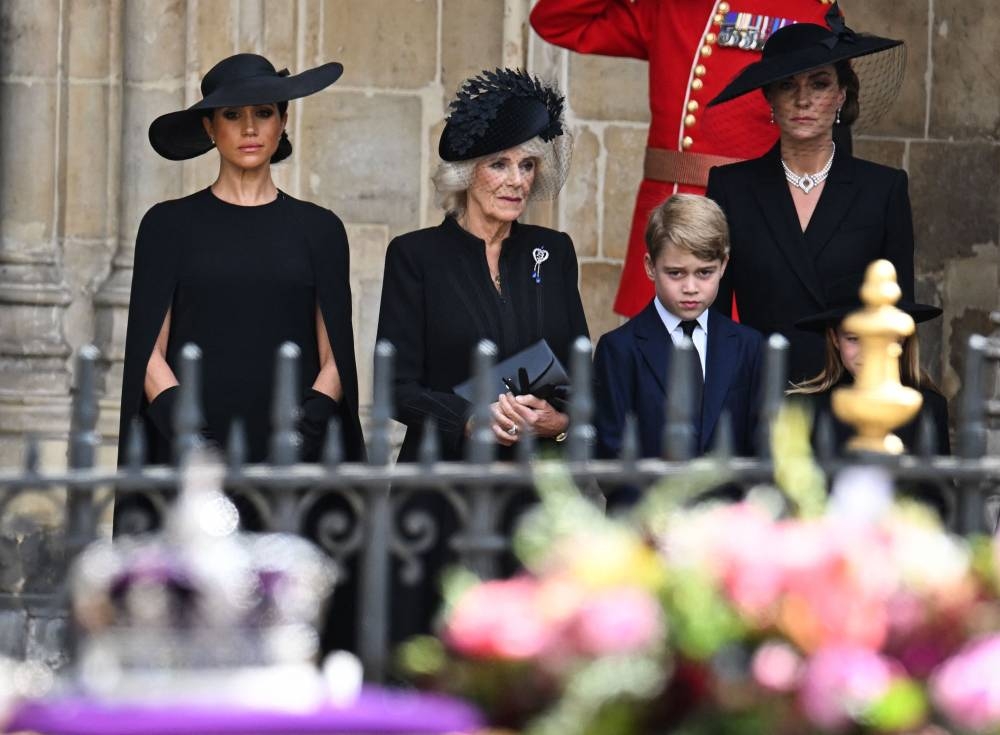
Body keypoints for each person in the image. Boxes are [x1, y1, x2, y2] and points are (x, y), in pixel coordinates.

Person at [375, 68, 589, 641]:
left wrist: (560, 422)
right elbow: (393, 387)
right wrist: (468, 416)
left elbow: (580, 370)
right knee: (437, 645)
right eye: (500, 164)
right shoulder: (415, 257)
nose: (516, 180)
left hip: (532, 493)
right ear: (467, 172)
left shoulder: (554, 252)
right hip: (441, 492)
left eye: (527, 165)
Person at [117, 53, 365, 492]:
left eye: (263, 112)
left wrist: (296, 441)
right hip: (189, 460)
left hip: (294, 463)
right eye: (232, 115)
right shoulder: (166, 225)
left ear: (283, 121)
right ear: (211, 128)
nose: (250, 128)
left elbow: (337, 357)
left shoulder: (320, 229)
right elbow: (147, 354)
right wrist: (194, 442)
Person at [529, 0, 836, 318]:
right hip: (667, 222)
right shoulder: (676, 8)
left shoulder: (811, 12)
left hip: (752, 231)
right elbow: (556, 21)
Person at [705, 9, 911, 384]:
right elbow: (714, 320)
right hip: (761, 397)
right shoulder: (731, 188)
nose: (802, 100)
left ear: (840, 95)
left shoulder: (883, 189)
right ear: (769, 97)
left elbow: (899, 314)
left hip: (855, 398)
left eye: (818, 84)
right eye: (787, 85)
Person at [593, 194, 763, 461]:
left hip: (728, 503)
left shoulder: (749, 346)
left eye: (704, 272)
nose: (690, 288)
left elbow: (760, 449)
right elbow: (610, 453)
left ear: (724, 266)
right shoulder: (618, 349)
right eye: (676, 273)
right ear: (650, 266)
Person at [788, 282, 949, 456]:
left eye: (882, 338)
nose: (869, 352)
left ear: (902, 339)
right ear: (835, 339)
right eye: (853, 339)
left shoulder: (929, 407)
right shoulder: (804, 408)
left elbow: (938, 481)